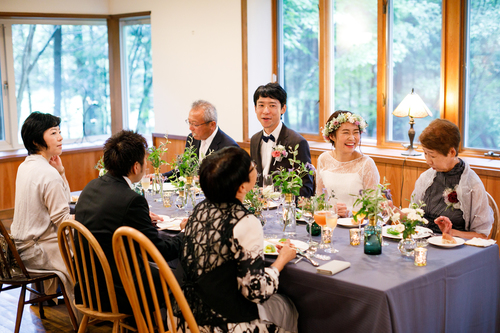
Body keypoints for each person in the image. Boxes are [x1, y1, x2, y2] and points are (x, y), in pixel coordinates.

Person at [179, 147, 298, 333]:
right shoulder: (245, 221)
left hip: (187, 318)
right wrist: (280, 262)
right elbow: (255, 292)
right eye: (251, 167)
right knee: (286, 307)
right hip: (222, 326)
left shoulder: (200, 209)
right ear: (242, 187)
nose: (254, 167)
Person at [75, 130, 185, 314]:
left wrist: (138, 218)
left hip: (87, 285)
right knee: (180, 278)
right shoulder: (131, 200)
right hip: (117, 291)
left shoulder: (91, 186)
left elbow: (110, 215)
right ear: (136, 167)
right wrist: (184, 234)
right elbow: (158, 251)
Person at [11, 111, 74, 304]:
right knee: (93, 247)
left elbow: (65, 202)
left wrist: (61, 171)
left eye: (59, 132)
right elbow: (63, 220)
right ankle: (94, 305)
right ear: (37, 141)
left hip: (20, 251)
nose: (60, 137)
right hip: (39, 252)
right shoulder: (47, 173)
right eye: (53, 133)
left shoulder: (25, 166)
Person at [411, 119, 493, 239]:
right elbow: (413, 216)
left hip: (454, 248)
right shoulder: (426, 178)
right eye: (425, 153)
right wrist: (396, 212)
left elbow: (481, 235)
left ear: (452, 152)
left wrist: (452, 233)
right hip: (421, 242)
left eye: (432, 155)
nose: (428, 161)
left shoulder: (472, 185)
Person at [250, 82, 314, 197]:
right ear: (255, 108)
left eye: (272, 105)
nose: (265, 111)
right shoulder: (255, 139)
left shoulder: (297, 142)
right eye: (261, 105)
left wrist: (277, 196)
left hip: (283, 209)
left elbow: (306, 188)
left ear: (283, 108)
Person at [316, 110, 380, 217]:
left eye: (356, 132)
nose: (352, 137)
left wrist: (349, 213)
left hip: (357, 225)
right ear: (331, 136)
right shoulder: (323, 159)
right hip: (329, 222)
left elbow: (374, 209)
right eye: (346, 132)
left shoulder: (366, 164)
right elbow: (320, 200)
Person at [163, 100, 238, 179]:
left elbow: (230, 180)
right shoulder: (192, 139)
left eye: (195, 124)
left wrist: (202, 180)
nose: (190, 128)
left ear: (212, 125)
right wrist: (162, 177)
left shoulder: (229, 147)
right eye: (189, 122)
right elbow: (184, 170)